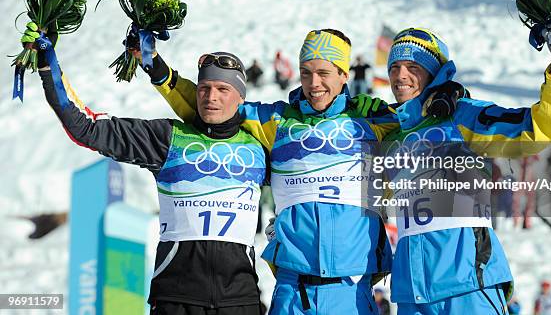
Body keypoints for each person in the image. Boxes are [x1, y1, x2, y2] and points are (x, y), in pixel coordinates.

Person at [143, 28, 466, 314]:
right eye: (306, 72)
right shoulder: (275, 121)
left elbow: (423, 116)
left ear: (343, 74)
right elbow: (216, 109)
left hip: (352, 286)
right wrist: (159, 72)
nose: (314, 84)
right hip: (292, 286)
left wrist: (449, 92)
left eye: (324, 72)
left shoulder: (375, 119)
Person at [22, 22, 267, 315]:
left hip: (240, 302)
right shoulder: (167, 138)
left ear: (240, 97)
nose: (211, 97)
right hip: (176, 299)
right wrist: (48, 67)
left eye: (222, 89)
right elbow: (84, 127)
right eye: (204, 88)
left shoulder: (260, 148)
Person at [354, 25, 551, 314]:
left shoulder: (462, 115)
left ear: (433, 73)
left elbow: (537, 130)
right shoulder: (391, 134)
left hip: (467, 284)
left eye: (412, 66)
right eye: (394, 66)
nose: (399, 75)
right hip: (412, 292)